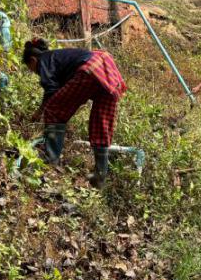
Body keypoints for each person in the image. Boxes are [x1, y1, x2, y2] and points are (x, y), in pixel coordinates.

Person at [22, 39, 127, 188]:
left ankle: (50, 161)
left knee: (53, 110)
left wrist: (40, 112)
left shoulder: (43, 61)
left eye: (30, 68)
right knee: (100, 122)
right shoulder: (56, 57)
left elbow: (51, 92)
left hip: (90, 69)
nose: (34, 72)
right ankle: (100, 176)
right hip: (105, 66)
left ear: (33, 60)